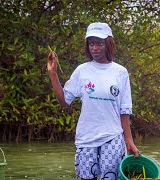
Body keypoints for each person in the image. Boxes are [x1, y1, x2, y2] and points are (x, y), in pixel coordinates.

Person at [47, 22, 139, 179]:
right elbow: (64, 101)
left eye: (99, 43)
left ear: (108, 44)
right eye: (91, 44)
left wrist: (129, 141)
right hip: (86, 138)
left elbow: (124, 111)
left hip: (113, 137)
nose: (95, 48)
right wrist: (53, 74)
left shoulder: (120, 72)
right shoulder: (82, 71)